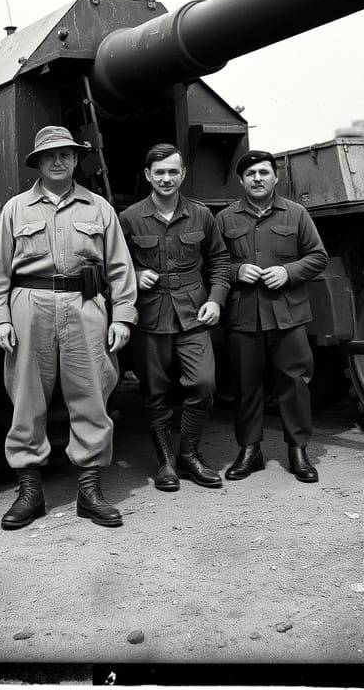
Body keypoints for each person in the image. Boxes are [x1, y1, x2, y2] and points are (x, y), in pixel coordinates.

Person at [0, 126, 137, 530]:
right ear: (37, 162)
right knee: (26, 399)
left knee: (91, 394)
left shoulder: (99, 208)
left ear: (75, 159)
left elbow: (120, 266)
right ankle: (30, 491)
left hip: (85, 306)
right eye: (50, 155)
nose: (58, 161)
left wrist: (122, 315)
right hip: (29, 306)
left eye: (66, 154)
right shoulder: (16, 208)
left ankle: (89, 489)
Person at [119, 144, 232, 493]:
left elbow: (220, 262)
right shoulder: (129, 217)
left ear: (182, 175)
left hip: (193, 314)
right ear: (148, 176)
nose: (166, 178)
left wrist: (216, 300)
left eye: (173, 172)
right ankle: (165, 463)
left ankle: (190, 454)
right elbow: (113, 265)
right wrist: (135, 275)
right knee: (154, 392)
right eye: (160, 172)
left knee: (203, 384)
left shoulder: (201, 215)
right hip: (150, 316)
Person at [215, 149, 328, 483]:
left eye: (264, 173)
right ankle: (250, 450)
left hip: (288, 316)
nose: (257, 178)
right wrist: (237, 270)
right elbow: (215, 263)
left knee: (294, 384)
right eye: (250, 174)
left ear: (275, 176)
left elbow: (318, 256)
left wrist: (288, 272)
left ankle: (298, 449)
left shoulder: (296, 214)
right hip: (244, 316)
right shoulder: (225, 219)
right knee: (247, 385)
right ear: (241, 181)